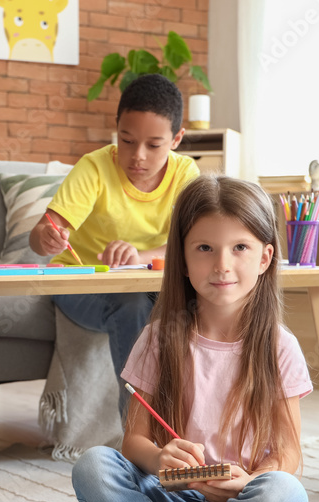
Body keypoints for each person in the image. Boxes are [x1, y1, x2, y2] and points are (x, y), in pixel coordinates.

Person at [54, 175, 313, 502]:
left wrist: (249, 483)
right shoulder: (158, 336)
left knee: (287, 497)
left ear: (265, 257)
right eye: (204, 249)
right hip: (165, 495)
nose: (223, 264)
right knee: (93, 465)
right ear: (183, 259)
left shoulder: (280, 347)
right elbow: (132, 441)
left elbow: (289, 455)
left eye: (240, 248)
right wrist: (158, 459)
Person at [29, 74, 201, 413]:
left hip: (148, 280)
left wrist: (140, 256)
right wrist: (45, 237)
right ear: (117, 129)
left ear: (177, 139)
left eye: (153, 145)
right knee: (133, 305)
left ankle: (207, 421)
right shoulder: (93, 167)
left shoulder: (186, 175)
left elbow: (194, 244)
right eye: (126, 140)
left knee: (206, 299)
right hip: (79, 283)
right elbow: (41, 234)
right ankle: (140, 435)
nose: (138, 156)